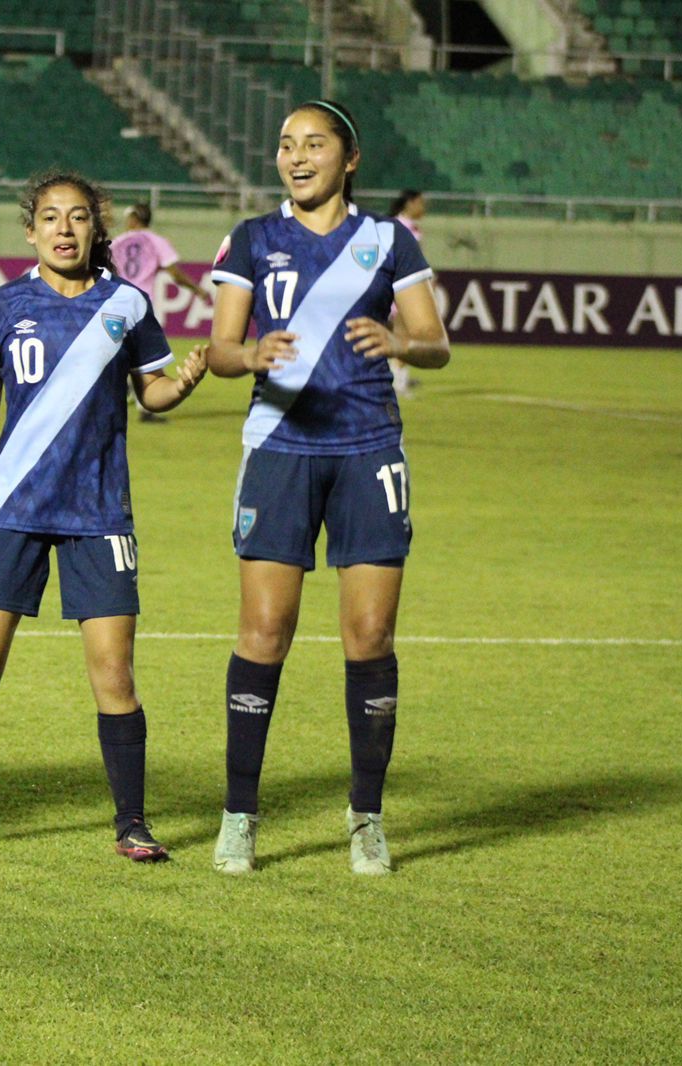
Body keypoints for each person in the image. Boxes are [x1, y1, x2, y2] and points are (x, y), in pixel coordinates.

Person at [0, 169, 207, 861]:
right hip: (12, 507)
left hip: (99, 512)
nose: (64, 229)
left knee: (114, 674)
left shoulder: (127, 304)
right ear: (30, 229)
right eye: (50, 218)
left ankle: (132, 823)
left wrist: (180, 383)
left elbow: (149, 394)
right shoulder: (5, 305)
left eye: (78, 218)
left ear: (99, 229)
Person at [204, 101, 450, 876]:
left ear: (350, 158)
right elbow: (216, 350)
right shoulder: (254, 238)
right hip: (279, 450)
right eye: (285, 144)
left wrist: (400, 340)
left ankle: (366, 817)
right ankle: (240, 815)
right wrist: (249, 357)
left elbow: (435, 343)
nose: (296, 156)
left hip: (369, 450)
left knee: (369, 637)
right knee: (265, 632)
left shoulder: (386, 239)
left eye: (314, 144)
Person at [112, 202, 213, 422]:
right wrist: (197, 290)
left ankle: (124, 390)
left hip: (114, 302)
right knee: (144, 356)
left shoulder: (118, 242)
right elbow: (175, 273)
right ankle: (145, 408)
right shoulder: (156, 241)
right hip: (140, 304)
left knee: (117, 350)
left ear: (134, 219)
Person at [388, 189, 428, 398]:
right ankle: (398, 382)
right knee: (403, 335)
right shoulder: (399, 227)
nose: (424, 207)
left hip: (400, 287)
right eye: (420, 203)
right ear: (410, 203)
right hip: (398, 288)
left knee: (401, 334)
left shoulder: (408, 227)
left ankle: (398, 378)